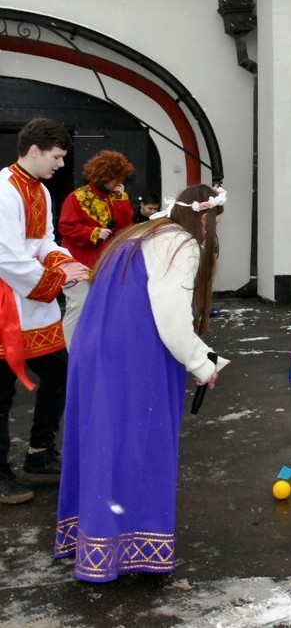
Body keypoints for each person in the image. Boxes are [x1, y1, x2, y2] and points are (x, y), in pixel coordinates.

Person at [54, 185, 229, 582]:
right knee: (140, 447)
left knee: (104, 445)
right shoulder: (180, 244)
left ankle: (97, 541)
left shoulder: (141, 233)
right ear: (204, 217)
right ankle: (128, 547)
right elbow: (171, 316)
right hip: (135, 357)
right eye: (215, 222)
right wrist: (202, 364)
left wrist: (201, 355)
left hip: (98, 349)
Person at [0, 119, 89, 504]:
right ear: (33, 150)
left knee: (59, 372)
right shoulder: (4, 191)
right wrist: (54, 279)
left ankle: (39, 454)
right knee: (1, 392)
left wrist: (65, 263)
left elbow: (43, 242)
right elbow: (6, 257)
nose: (60, 164)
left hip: (35, 303)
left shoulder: (39, 189)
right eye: (56, 156)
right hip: (6, 306)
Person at [59, 150, 135, 345]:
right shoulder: (76, 197)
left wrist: (121, 200)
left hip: (103, 264)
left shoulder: (115, 197)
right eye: (116, 178)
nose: (118, 182)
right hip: (76, 263)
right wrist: (93, 233)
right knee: (79, 305)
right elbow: (65, 227)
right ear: (104, 176)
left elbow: (124, 227)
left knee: (99, 307)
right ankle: (69, 351)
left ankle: (89, 348)